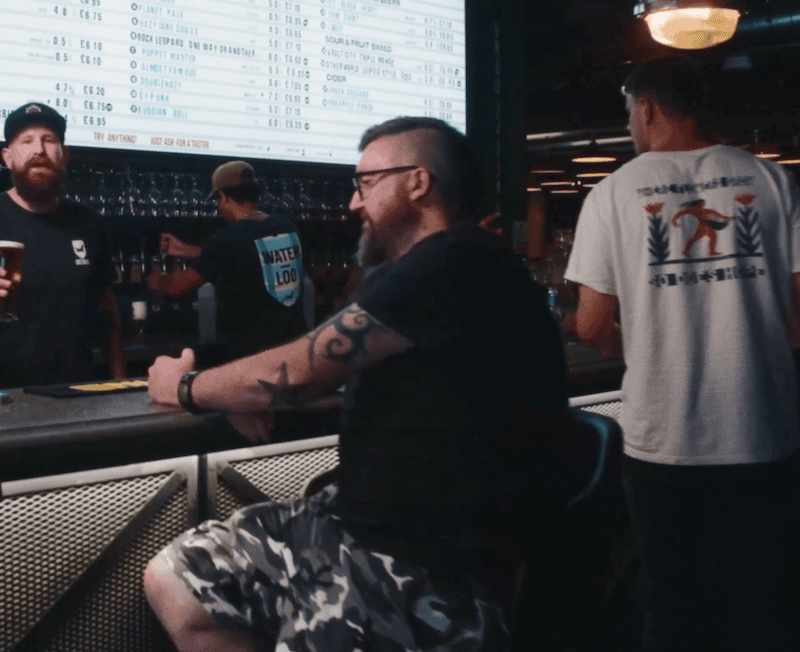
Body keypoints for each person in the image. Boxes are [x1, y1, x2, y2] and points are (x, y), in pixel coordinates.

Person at [142, 117, 569, 652]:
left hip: (428, 563)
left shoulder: (455, 262)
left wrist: (185, 386)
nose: (352, 203)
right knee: (179, 581)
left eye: (365, 184)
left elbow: (301, 367)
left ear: (417, 182)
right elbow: (328, 368)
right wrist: (246, 392)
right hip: (351, 524)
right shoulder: (427, 268)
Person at [566, 55, 800, 652]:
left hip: (662, 444)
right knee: (768, 605)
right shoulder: (771, 180)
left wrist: (639, 342)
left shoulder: (611, 193)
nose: (630, 125)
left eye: (629, 113)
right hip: (766, 436)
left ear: (646, 106)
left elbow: (592, 326)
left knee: (673, 608)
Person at [0, 102, 125, 386]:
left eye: (49, 140)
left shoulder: (89, 223)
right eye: (26, 141)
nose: (39, 151)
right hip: (0, 399)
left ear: (64, 155)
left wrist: (119, 380)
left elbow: (106, 308)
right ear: (8, 157)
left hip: (78, 394)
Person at [150, 161, 308, 362]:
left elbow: (177, 287)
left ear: (223, 197)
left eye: (217, 201)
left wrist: (158, 276)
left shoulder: (227, 239)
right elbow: (251, 254)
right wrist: (186, 250)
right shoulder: (287, 227)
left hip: (252, 357)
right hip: (295, 350)